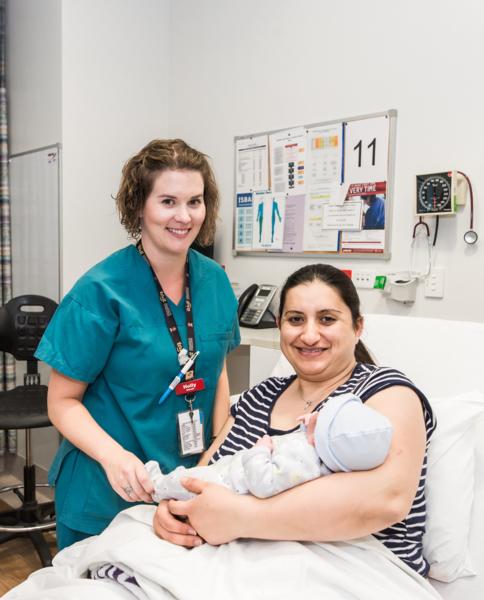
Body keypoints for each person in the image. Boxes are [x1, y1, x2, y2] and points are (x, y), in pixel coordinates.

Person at [153, 263, 436, 578]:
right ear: (279, 326)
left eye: (327, 319)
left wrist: (240, 516)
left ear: (357, 327)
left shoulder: (384, 392)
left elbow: (388, 499)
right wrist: (173, 512)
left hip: (354, 574)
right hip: (230, 566)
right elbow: (202, 478)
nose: (309, 334)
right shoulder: (258, 398)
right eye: (296, 319)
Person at [35, 139, 240, 550]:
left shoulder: (214, 281)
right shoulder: (100, 291)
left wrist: (218, 455)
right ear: (139, 207)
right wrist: (115, 459)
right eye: (168, 201)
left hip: (186, 486)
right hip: (109, 487)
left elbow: (215, 372)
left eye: (195, 202)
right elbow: (62, 402)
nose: (184, 216)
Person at [146, 393, 393, 501]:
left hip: (229, 483)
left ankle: (157, 486)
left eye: (320, 418)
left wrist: (261, 450)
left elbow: (264, 482)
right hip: (225, 475)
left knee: (186, 481)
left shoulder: (304, 458)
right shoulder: (323, 456)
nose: (314, 414)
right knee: (191, 478)